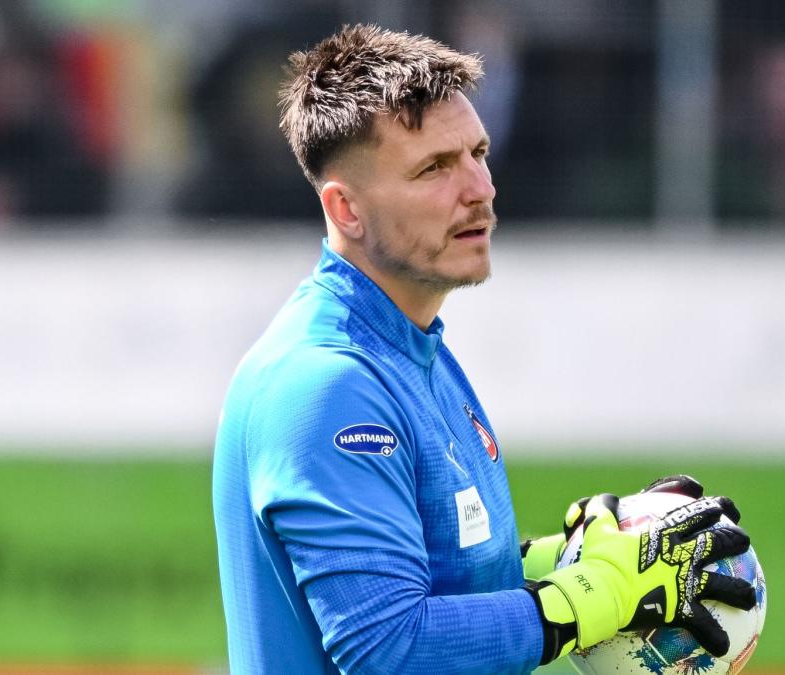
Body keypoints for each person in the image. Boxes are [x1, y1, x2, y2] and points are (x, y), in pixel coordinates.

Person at [212, 25, 755, 674]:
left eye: (478, 153)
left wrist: (582, 554)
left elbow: (439, 568)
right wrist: (598, 596)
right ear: (347, 209)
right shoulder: (325, 383)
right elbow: (388, 645)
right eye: (435, 168)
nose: (480, 189)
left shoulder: (415, 353)